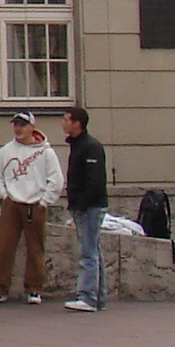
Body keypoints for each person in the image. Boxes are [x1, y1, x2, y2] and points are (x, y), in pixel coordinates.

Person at [0, 112, 64, 304]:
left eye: (23, 125)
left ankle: (34, 289)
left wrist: (44, 202)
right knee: (4, 246)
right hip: (12, 203)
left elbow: (56, 180)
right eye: (16, 125)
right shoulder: (5, 151)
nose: (18, 129)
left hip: (36, 204)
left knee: (35, 248)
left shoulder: (46, 153)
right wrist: (4, 196)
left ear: (32, 127)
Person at [62, 105, 110, 312]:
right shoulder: (78, 145)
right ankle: (98, 297)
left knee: (88, 252)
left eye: (66, 120)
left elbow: (94, 180)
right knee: (93, 250)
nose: (63, 123)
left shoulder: (90, 147)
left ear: (77, 124)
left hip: (90, 207)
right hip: (84, 205)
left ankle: (88, 296)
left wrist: (81, 204)